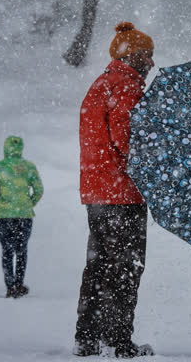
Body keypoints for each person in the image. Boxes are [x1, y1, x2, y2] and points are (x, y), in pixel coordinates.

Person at [74, 22, 156, 358]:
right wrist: (157, 157)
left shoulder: (102, 84)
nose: (151, 63)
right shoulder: (127, 87)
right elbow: (129, 140)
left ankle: (87, 337)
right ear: (133, 55)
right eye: (148, 56)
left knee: (99, 266)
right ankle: (118, 340)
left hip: (97, 194)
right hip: (122, 193)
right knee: (126, 266)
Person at [0, 135, 43, 298]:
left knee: (7, 251)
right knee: (22, 250)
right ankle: (19, 284)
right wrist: (29, 203)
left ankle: (10, 286)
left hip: (5, 215)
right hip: (24, 214)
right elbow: (39, 189)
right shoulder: (29, 167)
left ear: (5, 148)